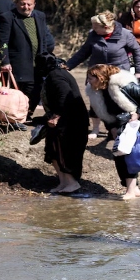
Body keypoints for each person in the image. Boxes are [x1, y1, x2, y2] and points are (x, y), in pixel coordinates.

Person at [66, 11, 140, 139]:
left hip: (118, 75)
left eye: (96, 26)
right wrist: (68, 65)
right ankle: (95, 129)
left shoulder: (125, 35)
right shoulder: (93, 35)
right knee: (95, 101)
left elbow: (137, 51)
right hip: (96, 74)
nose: (93, 28)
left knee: (117, 102)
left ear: (107, 27)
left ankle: (118, 128)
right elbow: (83, 52)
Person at [85, 64, 140, 199]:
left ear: (100, 78)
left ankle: (131, 191)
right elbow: (103, 112)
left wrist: (138, 113)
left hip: (136, 122)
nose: (88, 81)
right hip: (118, 124)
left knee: (126, 155)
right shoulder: (97, 91)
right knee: (120, 155)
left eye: (90, 78)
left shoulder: (122, 84)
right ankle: (133, 188)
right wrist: (111, 127)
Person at [0, 0, 55, 125]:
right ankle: (16, 117)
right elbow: (1, 42)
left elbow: (43, 38)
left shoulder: (40, 16)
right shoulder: (7, 18)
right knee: (21, 91)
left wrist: (45, 56)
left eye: (29, 4)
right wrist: (4, 61)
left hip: (38, 62)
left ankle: (27, 115)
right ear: (17, 3)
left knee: (36, 89)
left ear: (34, 5)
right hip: (18, 63)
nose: (25, 6)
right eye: (22, 3)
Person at [39, 54, 89, 193]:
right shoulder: (58, 73)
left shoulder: (55, 76)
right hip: (68, 119)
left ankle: (72, 183)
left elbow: (64, 95)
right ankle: (63, 183)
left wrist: (56, 116)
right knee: (53, 150)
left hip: (69, 121)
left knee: (63, 151)